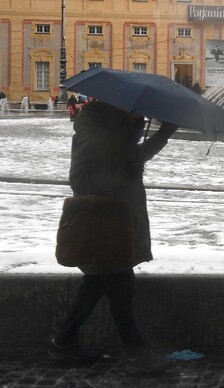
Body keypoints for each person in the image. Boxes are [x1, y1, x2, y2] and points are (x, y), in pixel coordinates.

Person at [49, 101, 178, 373]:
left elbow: (131, 158)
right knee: (122, 288)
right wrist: (124, 171)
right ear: (116, 115)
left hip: (116, 225)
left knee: (94, 287)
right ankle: (136, 353)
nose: (138, 119)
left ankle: (63, 343)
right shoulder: (96, 134)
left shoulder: (110, 133)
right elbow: (83, 179)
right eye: (134, 116)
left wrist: (165, 132)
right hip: (104, 228)